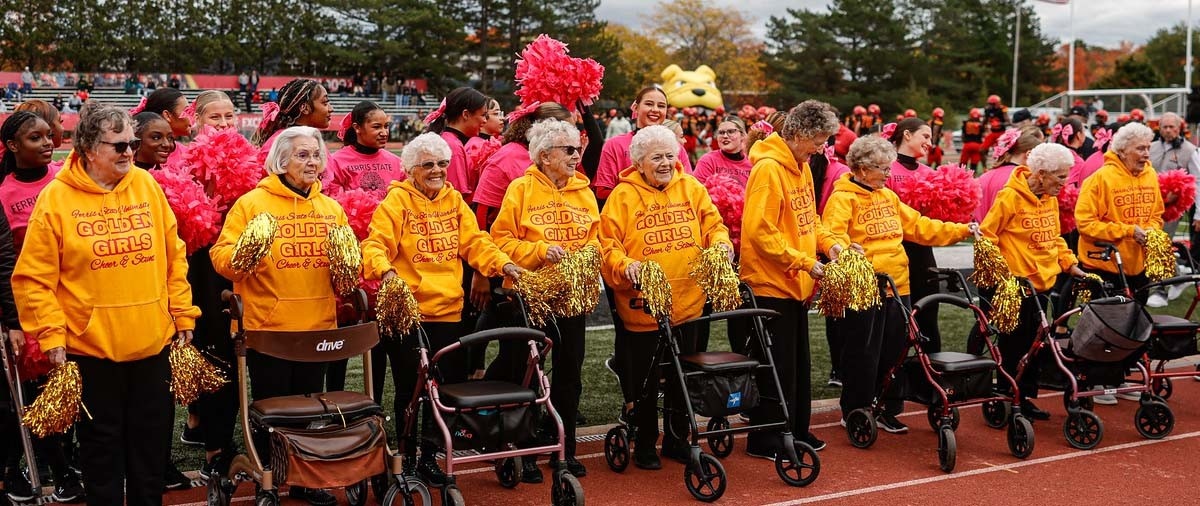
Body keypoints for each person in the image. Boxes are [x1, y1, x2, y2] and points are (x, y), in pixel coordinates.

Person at [13, 105, 199, 505]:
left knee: (151, 452)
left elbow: (173, 255)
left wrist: (182, 313)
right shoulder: (55, 200)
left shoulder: (146, 187)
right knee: (102, 455)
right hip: (90, 351)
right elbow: (33, 279)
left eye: (132, 143)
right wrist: (51, 336)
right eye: (118, 145)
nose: (129, 152)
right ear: (88, 147)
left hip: (153, 345)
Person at [361, 132, 522, 488]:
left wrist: (503, 264)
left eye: (442, 164)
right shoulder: (396, 202)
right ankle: (403, 455)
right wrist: (385, 271)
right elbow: (375, 244)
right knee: (411, 388)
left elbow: (476, 242)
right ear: (410, 170)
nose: (437, 171)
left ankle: (430, 456)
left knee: (445, 388)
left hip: (448, 311)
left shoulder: (453, 201)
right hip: (409, 311)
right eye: (428, 164)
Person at [210, 126, 346, 506]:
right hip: (268, 328)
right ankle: (268, 476)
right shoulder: (252, 204)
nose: (311, 162)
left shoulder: (330, 208)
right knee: (272, 408)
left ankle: (304, 480)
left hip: (317, 326)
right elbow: (220, 258)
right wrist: (244, 257)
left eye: (316, 154)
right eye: (302, 155)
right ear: (281, 160)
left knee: (309, 409)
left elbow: (345, 267)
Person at [599, 125, 731, 470]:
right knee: (644, 380)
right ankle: (644, 442)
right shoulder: (622, 196)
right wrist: (626, 266)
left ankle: (676, 439)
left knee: (682, 378)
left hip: (689, 302)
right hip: (643, 306)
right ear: (639, 162)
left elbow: (714, 225)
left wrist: (720, 243)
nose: (665, 163)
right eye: (656, 157)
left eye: (670, 156)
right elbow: (608, 247)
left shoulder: (691, 186)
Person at [824, 134, 976, 434]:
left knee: (894, 352)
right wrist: (841, 248)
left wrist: (961, 230)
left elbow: (919, 226)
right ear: (863, 169)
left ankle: (886, 407)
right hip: (865, 287)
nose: (887, 174)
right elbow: (830, 234)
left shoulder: (888, 197)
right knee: (862, 352)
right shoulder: (842, 197)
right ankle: (856, 409)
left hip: (899, 287)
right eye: (882, 168)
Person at [490, 118, 599, 480]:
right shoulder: (520, 189)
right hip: (531, 298)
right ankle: (527, 450)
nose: (576, 155)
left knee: (570, 373)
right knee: (528, 374)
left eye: (577, 148)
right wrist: (539, 251)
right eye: (569, 150)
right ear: (544, 156)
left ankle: (564, 449)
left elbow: (596, 240)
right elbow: (501, 241)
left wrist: (588, 260)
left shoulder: (584, 191)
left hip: (571, 298)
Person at [740, 101, 846, 458]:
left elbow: (809, 220)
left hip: (794, 284)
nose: (822, 147)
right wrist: (803, 262)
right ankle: (767, 439)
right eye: (818, 139)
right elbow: (759, 232)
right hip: (770, 285)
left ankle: (796, 429)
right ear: (799, 134)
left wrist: (830, 246)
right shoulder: (769, 169)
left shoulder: (801, 166)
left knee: (797, 366)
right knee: (775, 368)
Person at [0, 112, 87, 503]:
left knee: (71, 389)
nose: (47, 142)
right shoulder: (3, 192)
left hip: (77, 300)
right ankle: (37, 466)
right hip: (30, 304)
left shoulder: (67, 178)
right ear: (13, 147)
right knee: (36, 393)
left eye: (48, 136)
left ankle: (68, 463)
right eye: (34, 138)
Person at [980, 143, 1084, 420]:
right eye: (1060, 177)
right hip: (1016, 286)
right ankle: (1006, 396)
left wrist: (1069, 263)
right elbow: (987, 236)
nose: (1065, 182)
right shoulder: (1009, 198)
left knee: (1035, 345)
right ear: (1039, 174)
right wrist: (1003, 274)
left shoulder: (1049, 199)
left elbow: (1055, 237)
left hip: (1042, 283)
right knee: (1013, 346)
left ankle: (1024, 397)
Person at [1075, 122, 1164, 405]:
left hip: (1137, 265)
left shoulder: (1150, 175)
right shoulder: (1100, 179)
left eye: (1148, 147)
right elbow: (1085, 223)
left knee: (1135, 325)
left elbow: (1158, 215)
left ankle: (1122, 375)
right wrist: (1127, 231)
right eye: (1141, 148)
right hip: (1103, 265)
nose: (1146, 153)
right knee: (1105, 328)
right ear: (1123, 150)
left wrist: (1149, 230)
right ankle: (1097, 380)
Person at [885, 118, 945, 352]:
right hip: (895, 250)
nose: (930, 143)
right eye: (926, 136)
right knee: (897, 319)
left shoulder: (930, 172)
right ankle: (896, 379)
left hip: (923, 251)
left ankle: (931, 374)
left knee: (929, 313)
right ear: (907, 135)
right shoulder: (887, 169)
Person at [593, 86, 694, 203]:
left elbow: (689, 186)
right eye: (649, 104)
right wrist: (644, 198)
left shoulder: (676, 147)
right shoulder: (614, 145)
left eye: (661, 106)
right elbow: (602, 192)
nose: (655, 109)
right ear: (636, 108)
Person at [421, 87, 489, 203]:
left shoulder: (447, 140)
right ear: (466, 114)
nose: (485, 121)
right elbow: (456, 196)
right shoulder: (452, 146)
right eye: (483, 115)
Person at [325, 101, 405, 195]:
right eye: (376, 127)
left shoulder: (397, 163)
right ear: (357, 128)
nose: (384, 133)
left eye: (386, 126)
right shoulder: (335, 162)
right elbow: (332, 202)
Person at [251, 79, 333, 162]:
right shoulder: (280, 144)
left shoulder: (311, 140)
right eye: (325, 103)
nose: (331, 109)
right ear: (304, 108)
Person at [974, 126, 1043, 222]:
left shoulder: (985, 176)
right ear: (1028, 154)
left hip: (982, 235)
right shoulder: (1021, 179)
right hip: (1009, 236)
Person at [693, 117, 751, 185]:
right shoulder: (708, 161)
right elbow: (697, 191)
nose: (725, 136)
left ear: (742, 135)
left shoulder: (752, 163)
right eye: (721, 132)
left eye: (731, 131)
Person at [961, 108, 985, 173]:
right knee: (974, 163)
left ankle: (961, 174)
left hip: (967, 144)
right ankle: (973, 175)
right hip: (977, 145)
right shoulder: (981, 125)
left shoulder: (965, 123)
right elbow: (983, 133)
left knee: (963, 162)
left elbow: (963, 135)